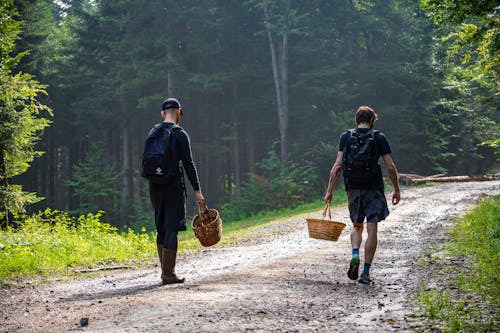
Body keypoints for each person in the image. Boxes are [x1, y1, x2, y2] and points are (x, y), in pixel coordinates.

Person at [323, 105, 400, 285]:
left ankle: (355, 254)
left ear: (356, 119)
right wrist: (396, 188)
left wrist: (329, 191)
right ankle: (365, 272)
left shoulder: (346, 136)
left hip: (353, 187)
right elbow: (390, 166)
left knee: (357, 226)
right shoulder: (379, 137)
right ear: (373, 119)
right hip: (373, 187)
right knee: (372, 228)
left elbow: (337, 166)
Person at [148, 97, 205, 284]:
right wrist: (197, 190)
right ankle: (168, 274)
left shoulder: (153, 132)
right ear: (179, 112)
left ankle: (164, 272)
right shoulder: (180, 134)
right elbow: (188, 164)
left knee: (161, 228)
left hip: (155, 186)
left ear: (163, 113)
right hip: (173, 187)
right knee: (172, 228)